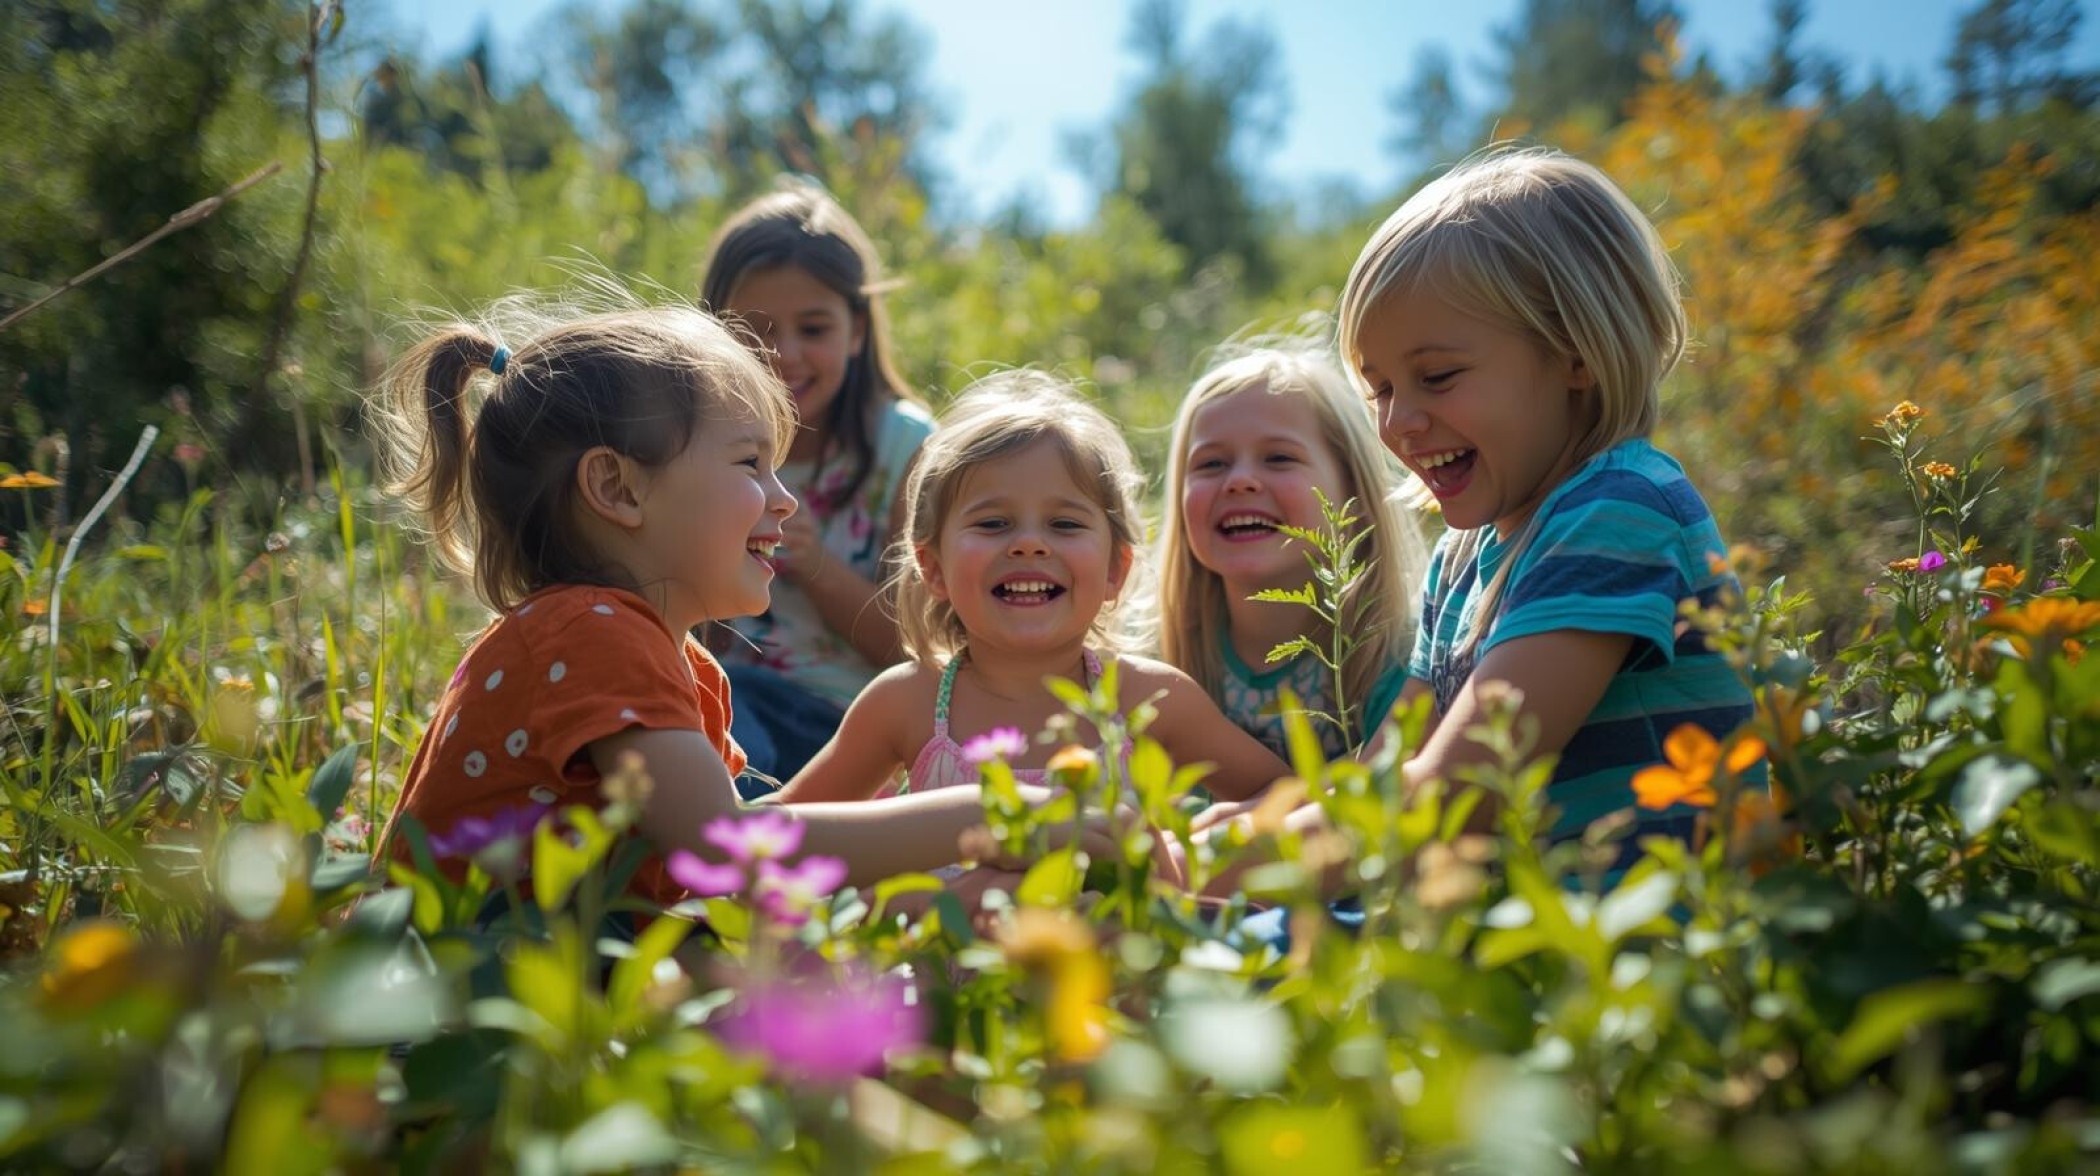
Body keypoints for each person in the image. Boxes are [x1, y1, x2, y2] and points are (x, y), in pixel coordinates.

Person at [370, 293, 1084, 911]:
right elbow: (726, 853)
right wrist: (992, 814)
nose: (785, 500)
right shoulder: (590, 635)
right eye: (751, 465)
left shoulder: (645, 647)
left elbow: (722, 838)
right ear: (619, 489)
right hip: (460, 998)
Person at [1203, 146, 1756, 886]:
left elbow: (1463, 791)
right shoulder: (1460, 559)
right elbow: (1387, 772)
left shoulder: (1618, 508)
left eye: (1436, 377)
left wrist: (1218, 868)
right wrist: (1256, 824)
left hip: (1654, 954)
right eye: (1380, 389)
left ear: (1575, 351)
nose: (1398, 423)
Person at [780, 372, 1290, 806]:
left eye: (1065, 525)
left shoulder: (1148, 699)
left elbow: (1284, 798)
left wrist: (1190, 857)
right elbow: (786, 828)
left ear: (1115, 569)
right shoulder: (906, 702)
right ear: (933, 568)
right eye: (994, 523)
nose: (1028, 545)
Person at [700, 179, 935, 787]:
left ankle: (736, 856)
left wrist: (814, 562)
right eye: (755, 329)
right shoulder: (693, 444)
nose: (784, 355)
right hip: (709, 700)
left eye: (813, 328)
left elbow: (919, 651)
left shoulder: (904, 448)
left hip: (854, 727)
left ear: (856, 331)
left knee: (731, 743)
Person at [1153, 343, 1429, 763]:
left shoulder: (1399, 657)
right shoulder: (1156, 666)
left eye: (1279, 458)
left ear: (1353, 490)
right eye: (1211, 464)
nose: (1240, 481)